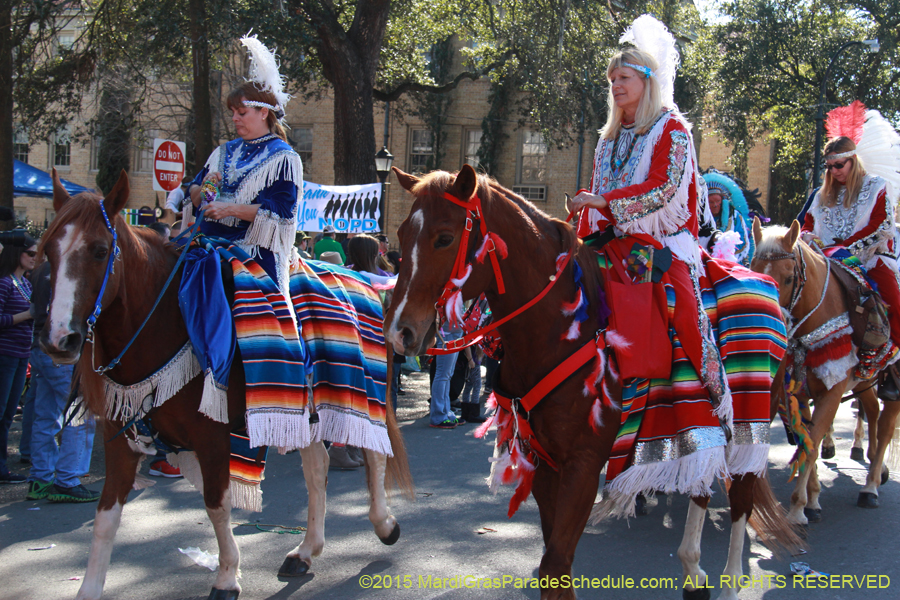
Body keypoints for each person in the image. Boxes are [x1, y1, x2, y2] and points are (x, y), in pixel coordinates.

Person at [800, 116, 900, 396]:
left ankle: (893, 364)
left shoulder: (877, 186)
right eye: (829, 167)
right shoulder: (821, 195)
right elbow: (806, 224)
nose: (833, 172)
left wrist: (848, 248)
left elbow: (881, 226)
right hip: (828, 262)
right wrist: (812, 240)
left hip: (869, 259)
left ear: (853, 161)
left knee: (894, 299)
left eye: (838, 165)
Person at [25, 261, 100, 502]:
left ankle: (40, 478)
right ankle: (68, 480)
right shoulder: (70, 267)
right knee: (80, 415)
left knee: (46, 415)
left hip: (41, 346)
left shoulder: (42, 270)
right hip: (63, 350)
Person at [0, 236, 37, 484]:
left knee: (7, 415)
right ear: (17, 253)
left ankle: (2, 468)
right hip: (5, 355)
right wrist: (26, 315)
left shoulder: (25, 283)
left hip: (22, 354)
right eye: (31, 253)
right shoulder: (4, 283)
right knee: (1, 413)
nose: (35, 257)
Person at [702, 169, 754, 266]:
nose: (715, 205)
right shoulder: (701, 218)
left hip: (731, 263)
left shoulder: (734, 217)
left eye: (718, 201)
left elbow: (743, 240)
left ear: (723, 201)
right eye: (711, 202)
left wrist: (726, 250)